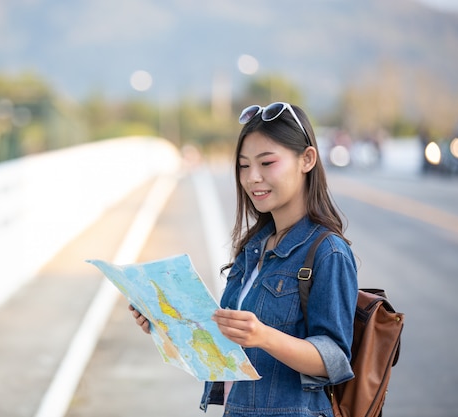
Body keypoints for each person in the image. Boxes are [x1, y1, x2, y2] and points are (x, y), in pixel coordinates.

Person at [130, 102, 358, 417]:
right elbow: (224, 349)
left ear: (307, 159)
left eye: (267, 163)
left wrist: (264, 336)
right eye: (243, 165)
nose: (252, 178)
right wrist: (165, 323)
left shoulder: (328, 251)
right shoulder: (255, 247)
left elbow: (334, 359)